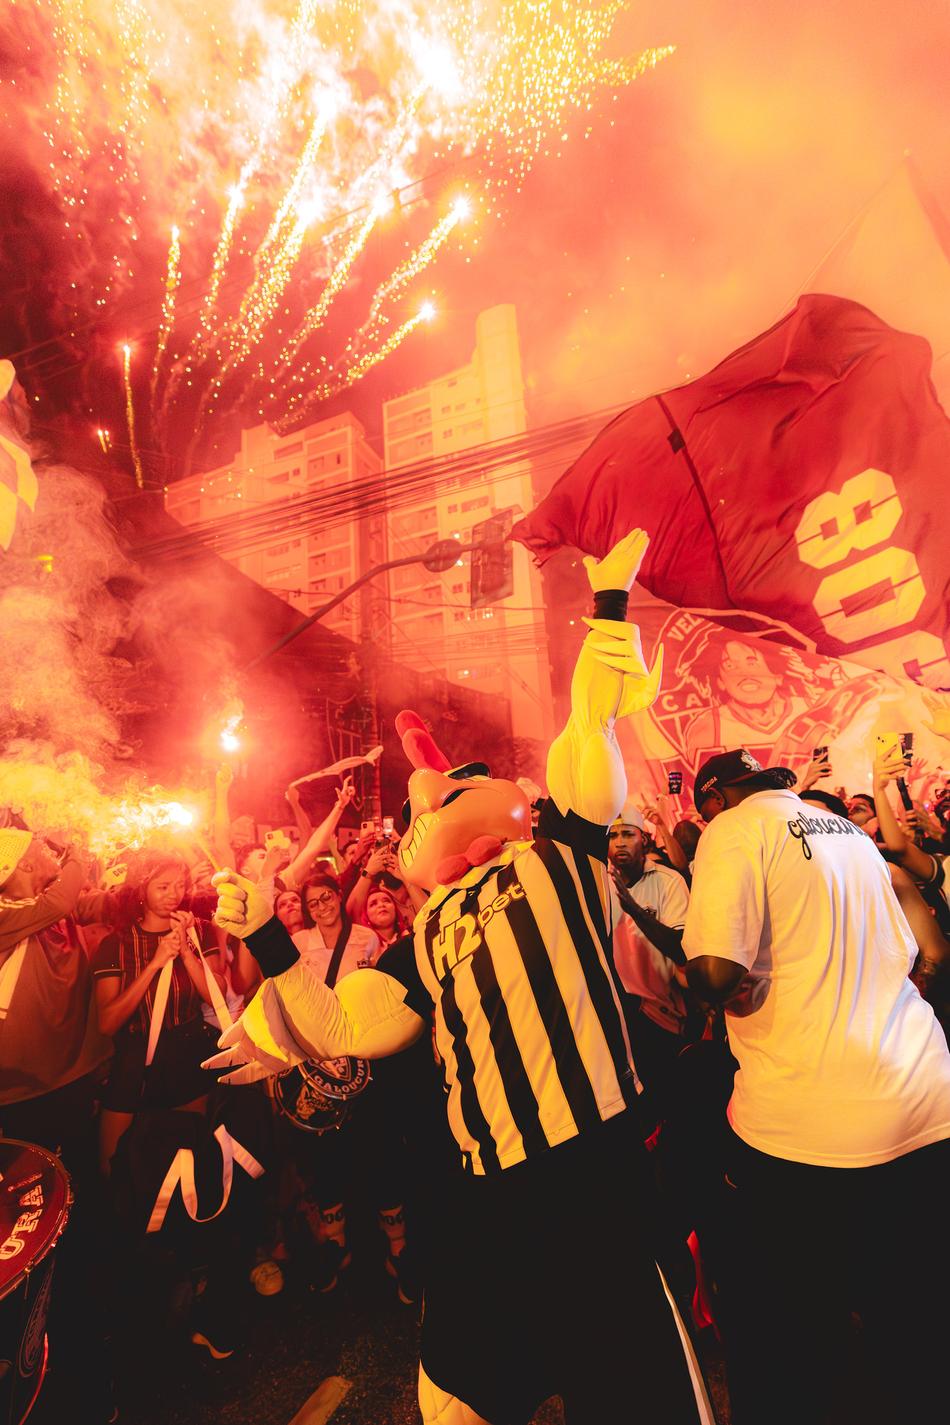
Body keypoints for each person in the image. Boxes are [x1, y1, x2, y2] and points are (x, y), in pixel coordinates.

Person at [207, 531, 713, 1425]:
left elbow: (587, 735)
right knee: (456, 1398)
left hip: (594, 1179)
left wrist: (605, 607)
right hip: (487, 1199)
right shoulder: (427, 929)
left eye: (449, 787)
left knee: (635, 1390)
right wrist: (265, 946)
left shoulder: (563, 853)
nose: (430, 804)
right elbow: (345, 1024)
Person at [683, 748, 950, 1425]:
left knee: (794, 1339)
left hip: (811, 1130)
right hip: (921, 1097)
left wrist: (712, 977)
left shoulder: (734, 829)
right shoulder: (848, 832)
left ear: (714, 799)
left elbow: (715, 973)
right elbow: (916, 951)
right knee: (915, 1323)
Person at [93, 850, 225, 1173]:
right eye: (163, 887)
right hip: (134, 1058)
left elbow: (217, 997)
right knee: (114, 1164)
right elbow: (108, 1022)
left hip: (188, 1050)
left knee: (188, 1158)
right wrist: (155, 963)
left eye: (179, 885)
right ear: (142, 889)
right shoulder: (117, 944)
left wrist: (186, 953)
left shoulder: (199, 931)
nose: (173, 895)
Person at [608, 802, 693, 1103]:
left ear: (643, 838)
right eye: (612, 835)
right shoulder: (598, 882)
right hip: (618, 1013)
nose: (619, 842)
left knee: (668, 1098)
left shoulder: (668, 882)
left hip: (661, 1013)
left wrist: (632, 907)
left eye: (628, 834)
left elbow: (681, 947)